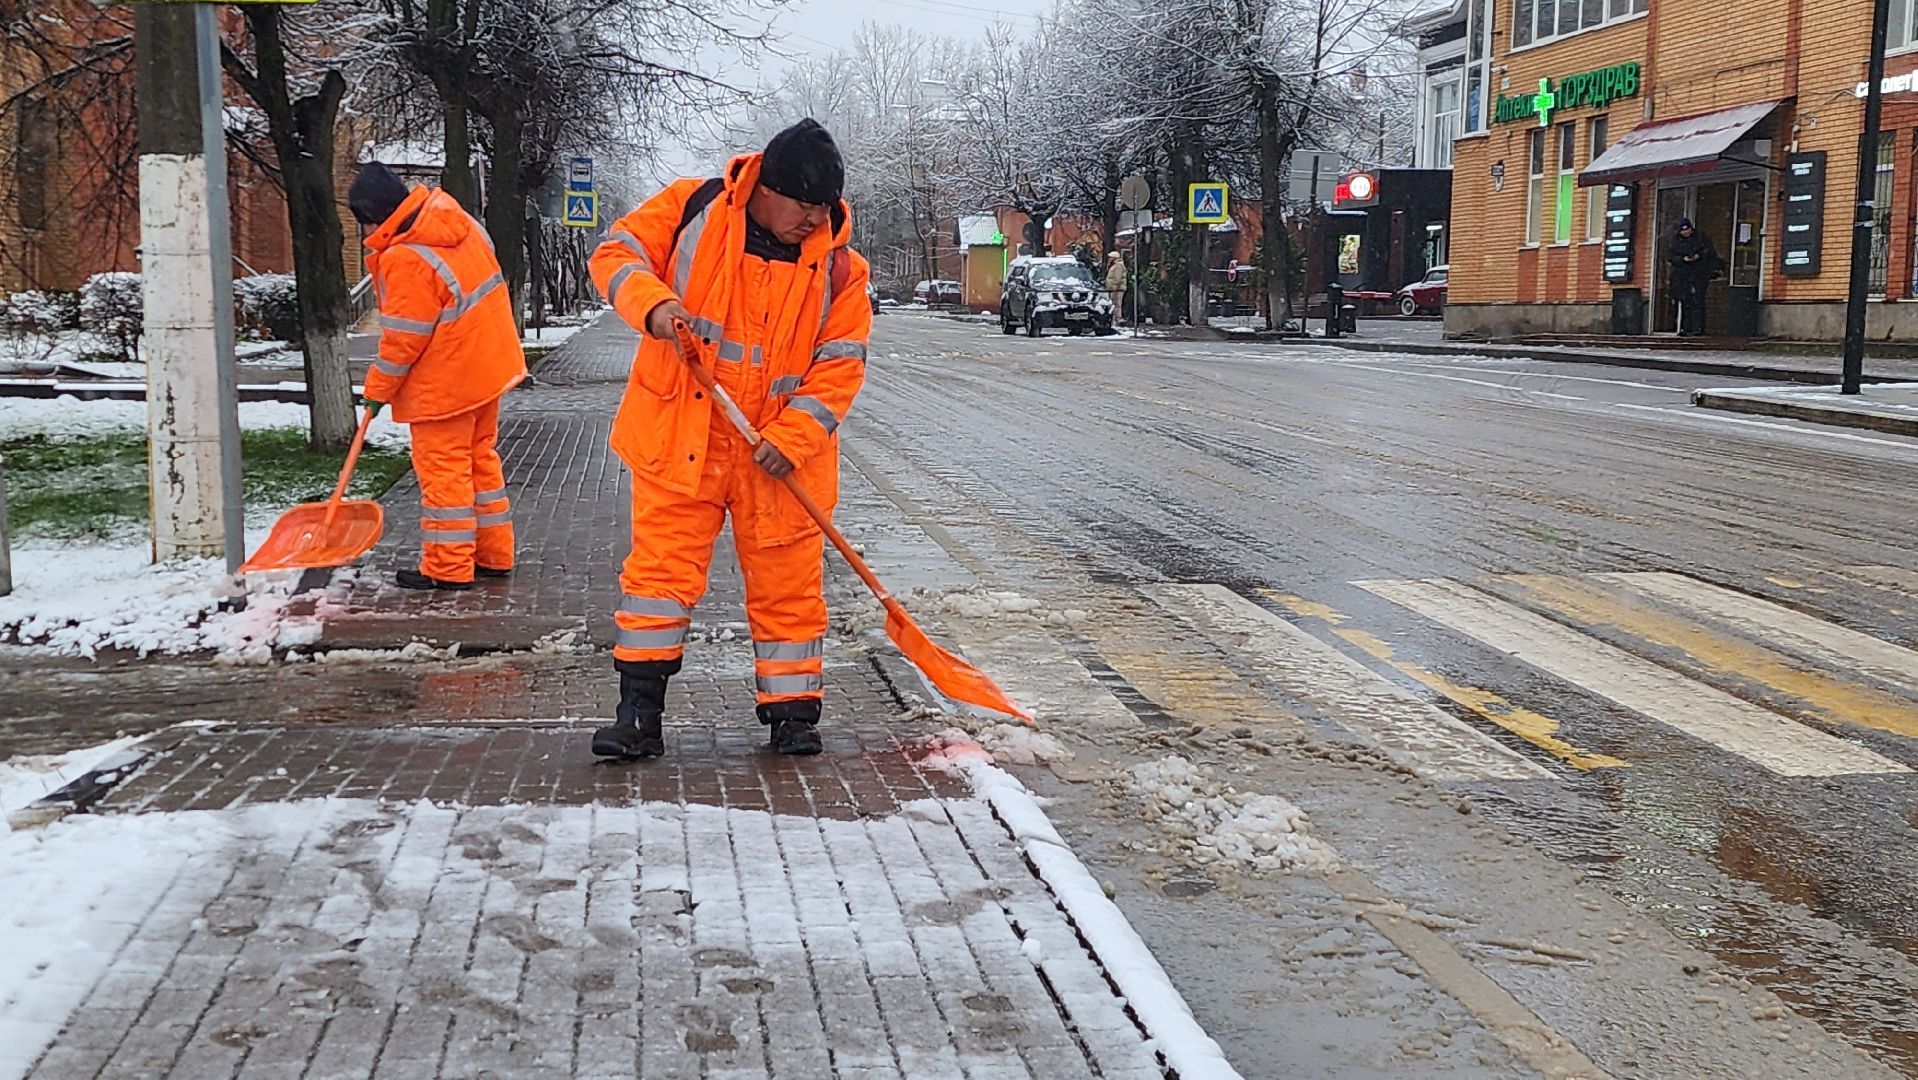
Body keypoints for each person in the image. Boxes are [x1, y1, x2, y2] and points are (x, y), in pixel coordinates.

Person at [586, 119, 873, 760]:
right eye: (804, 205)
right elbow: (615, 253)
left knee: (789, 588)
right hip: (680, 433)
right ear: (766, 188)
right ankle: (638, 716)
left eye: (823, 208)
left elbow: (840, 366)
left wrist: (794, 436)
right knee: (658, 579)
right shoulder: (694, 210)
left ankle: (793, 716)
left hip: (776, 458)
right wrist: (653, 305)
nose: (813, 219)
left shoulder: (841, 270)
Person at [348, 162, 526, 591]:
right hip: (489, 368)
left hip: (445, 383)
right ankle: (494, 554)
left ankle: (448, 567)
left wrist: (377, 391)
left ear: (373, 215)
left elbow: (404, 340)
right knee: (481, 463)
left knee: (445, 474)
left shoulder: (406, 255)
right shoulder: (456, 220)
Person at [1668, 217, 1720, 337]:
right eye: (1683, 230)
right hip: (1682, 275)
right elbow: (1671, 256)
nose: (1686, 232)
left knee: (1698, 300)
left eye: (1687, 229)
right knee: (1685, 301)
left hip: (1699, 273)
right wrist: (1682, 259)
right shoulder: (1676, 241)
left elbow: (1710, 253)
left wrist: (1698, 256)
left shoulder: (1701, 239)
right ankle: (1686, 328)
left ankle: (1698, 328)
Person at [1104, 250, 1129, 323]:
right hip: (1114, 288)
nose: (1109, 258)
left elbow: (1117, 278)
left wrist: (1115, 288)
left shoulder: (1118, 266)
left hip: (1117, 289)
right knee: (1115, 303)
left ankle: (1117, 318)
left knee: (1117, 303)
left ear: (1114, 258)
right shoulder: (1114, 265)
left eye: (1110, 257)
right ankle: (1115, 318)